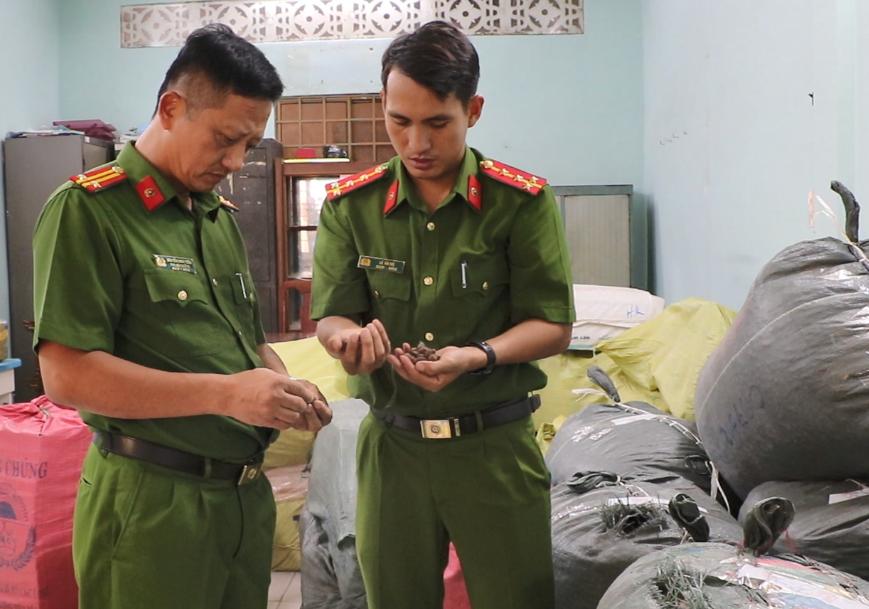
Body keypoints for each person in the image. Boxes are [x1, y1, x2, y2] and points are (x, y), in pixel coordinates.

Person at [32, 24, 331, 609]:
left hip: (240, 499)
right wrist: (227, 396)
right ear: (172, 108)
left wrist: (283, 388)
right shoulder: (89, 211)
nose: (238, 161)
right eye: (226, 139)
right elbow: (67, 378)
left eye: (249, 143)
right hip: (151, 504)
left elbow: (244, 345)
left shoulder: (215, 217)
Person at [311, 20, 574, 609]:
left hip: (495, 446)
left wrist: (477, 356)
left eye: (437, 123)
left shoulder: (519, 203)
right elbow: (332, 316)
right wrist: (348, 340)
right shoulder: (351, 206)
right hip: (394, 450)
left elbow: (553, 325)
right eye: (398, 122)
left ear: (472, 110)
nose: (416, 144)